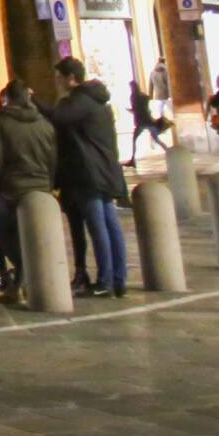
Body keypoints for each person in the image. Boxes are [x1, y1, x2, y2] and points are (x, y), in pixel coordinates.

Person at [50, 56, 130, 297]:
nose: (57, 81)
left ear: (70, 78)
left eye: (59, 77)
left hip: (89, 173)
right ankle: (118, 279)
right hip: (105, 170)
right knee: (110, 224)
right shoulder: (98, 100)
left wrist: (35, 101)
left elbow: (59, 118)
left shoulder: (80, 101)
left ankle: (105, 281)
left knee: (99, 227)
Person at [0, 81, 56, 306]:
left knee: (4, 235)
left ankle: (24, 276)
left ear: (8, 99)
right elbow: (52, 158)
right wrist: (49, 183)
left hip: (10, 189)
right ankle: (26, 283)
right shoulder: (44, 123)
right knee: (35, 237)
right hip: (40, 186)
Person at [127, 78, 171, 164]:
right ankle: (169, 152)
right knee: (156, 139)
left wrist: (131, 110)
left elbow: (135, 109)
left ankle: (132, 159)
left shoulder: (133, 97)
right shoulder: (143, 96)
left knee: (135, 139)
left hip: (141, 122)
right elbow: (148, 100)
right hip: (149, 120)